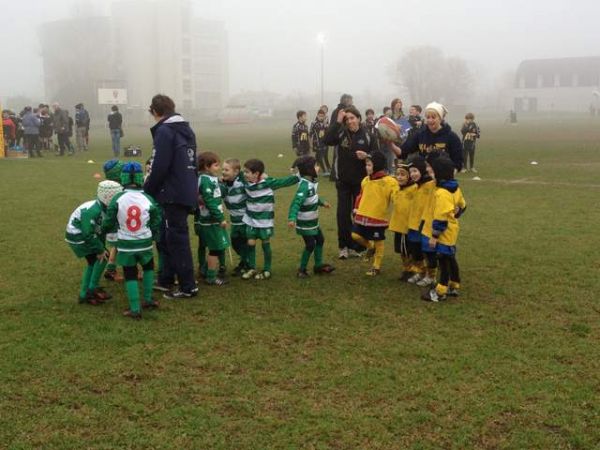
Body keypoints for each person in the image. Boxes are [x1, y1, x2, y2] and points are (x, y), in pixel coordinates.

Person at [144, 94, 198, 299]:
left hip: (172, 192)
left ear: (155, 112)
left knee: (177, 238)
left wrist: (147, 189)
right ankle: (166, 278)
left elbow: (160, 165)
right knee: (167, 236)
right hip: (185, 189)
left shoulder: (165, 131)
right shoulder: (186, 129)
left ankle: (188, 286)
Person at [102, 162, 161, 318]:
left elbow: (108, 221)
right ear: (141, 178)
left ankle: (135, 309)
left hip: (126, 244)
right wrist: (152, 233)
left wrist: (109, 228)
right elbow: (157, 219)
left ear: (123, 177)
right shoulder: (147, 198)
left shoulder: (118, 198)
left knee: (130, 274)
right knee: (148, 268)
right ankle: (148, 300)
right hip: (145, 242)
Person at [323, 105, 377, 259]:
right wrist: (338, 121)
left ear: (359, 118)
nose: (350, 122)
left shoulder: (368, 136)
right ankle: (343, 246)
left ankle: (358, 247)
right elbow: (326, 140)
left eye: (352, 118)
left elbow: (377, 156)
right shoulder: (340, 133)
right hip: (343, 181)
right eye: (347, 119)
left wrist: (367, 155)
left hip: (361, 183)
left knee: (360, 215)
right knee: (342, 215)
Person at [65, 180, 122, 305]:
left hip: (86, 235)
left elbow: (102, 230)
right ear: (107, 197)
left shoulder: (105, 207)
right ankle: (89, 291)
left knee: (96, 261)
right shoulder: (93, 210)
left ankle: (88, 291)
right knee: (101, 258)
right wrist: (100, 249)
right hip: (77, 235)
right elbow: (88, 233)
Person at [241, 158, 299, 280]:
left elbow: (285, 182)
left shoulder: (268, 183)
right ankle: (252, 268)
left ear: (256, 174)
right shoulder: (245, 182)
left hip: (265, 222)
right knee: (250, 242)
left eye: (246, 172)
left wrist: (298, 176)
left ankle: (267, 269)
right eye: (244, 171)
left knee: (265, 243)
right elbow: (234, 176)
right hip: (250, 220)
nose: (244, 174)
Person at [421, 156, 467, 302]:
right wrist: (456, 213)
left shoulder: (442, 193)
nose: (429, 171)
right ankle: (454, 284)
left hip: (444, 232)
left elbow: (440, 219)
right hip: (453, 230)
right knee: (451, 258)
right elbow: (463, 205)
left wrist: (434, 236)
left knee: (444, 261)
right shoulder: (455, 187)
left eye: (432, 169)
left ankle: (440, 291)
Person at [351, 152, 399, 276]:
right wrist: (356, 208)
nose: (366, 167)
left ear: (376, 165)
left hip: (378, 218)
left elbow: (396, 196)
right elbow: (360, 196)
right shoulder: (365, 180)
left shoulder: (389, 181)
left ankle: (376, 266)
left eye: (369, 164)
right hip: (362, 216)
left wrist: (398, 199)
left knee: (379, 241)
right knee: (355, 235)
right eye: (366, 164)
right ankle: (370, 246)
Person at [287, 155, 335, 278]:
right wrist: (292, 218)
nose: (318, 168)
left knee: (320, 240)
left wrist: (322, 202)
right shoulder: (304, 186)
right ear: (310, 170)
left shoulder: (311, 183)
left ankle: (318, 266)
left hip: (313, 221)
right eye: (316, 166)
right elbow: (296, 203)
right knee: (310, 244)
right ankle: (301, 270)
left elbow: (312, 197)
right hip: (305, 223)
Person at [195, 152, 230, 286]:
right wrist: (220, 217)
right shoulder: (204, 180)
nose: (219, 167)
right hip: (211, 221)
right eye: (216, 165)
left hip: (213, 220)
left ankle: (205, 270)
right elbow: (209, 201)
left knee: (217, 247)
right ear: (206, 167)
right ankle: (211, 277)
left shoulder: (209, 178)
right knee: (215, 249)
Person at [398, 102, 463, 171]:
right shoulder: (420, 135)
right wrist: (391, 143)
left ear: (440, 119)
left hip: (443, 178)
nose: (430, 120)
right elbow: (403, 151)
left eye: (433, 117)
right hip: (426, 178)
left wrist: (450, 174)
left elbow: (458, 161)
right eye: (428, 117)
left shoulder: (451, 137)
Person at [405, 155, 435, 285]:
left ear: (422, 170)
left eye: (415, 171)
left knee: (428, 252)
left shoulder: (430, 185)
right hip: (413, 224)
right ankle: (421, 272)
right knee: (415, 251)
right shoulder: (416, 186)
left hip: (424, 225)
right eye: (411, 172)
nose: (412, 174)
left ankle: (431, 275)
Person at [389, 162, 418, 281]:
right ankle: (407, 269)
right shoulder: (396, 188)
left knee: (411, 250)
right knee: (402, 250)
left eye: (403, 174)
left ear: (409, 177)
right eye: (397, 174)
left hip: (409, 226)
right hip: (399, 226)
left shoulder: (414, 189)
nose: (399, 177)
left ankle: (413, 270)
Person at [221, 158, 249, 276]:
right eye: (223, 169)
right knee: (235, 243)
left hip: (245, 220)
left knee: (244, 242)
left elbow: (245, 177)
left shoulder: (242, 182)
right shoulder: (224, 184)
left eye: (227, 170)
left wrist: (241, 172)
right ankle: (245, 261)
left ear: (236, 172)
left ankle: (246, 264)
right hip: (234, 220)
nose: (223, 172)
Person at [102, 159, 125, 282]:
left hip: (111, 225)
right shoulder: (119, 190)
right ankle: (112, 270)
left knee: (116, 246)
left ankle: (110, 268)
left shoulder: (106, 187)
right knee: (125, 246)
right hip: (117, 225)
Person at [309, 109, 330, 175]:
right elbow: (310, 134)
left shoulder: (325, 124)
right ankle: (325, 171)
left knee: (318, 157)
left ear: (324, 116)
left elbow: (327, 133)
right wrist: (310, 144)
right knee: (320, 156)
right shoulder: (314, 123)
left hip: (323, 143)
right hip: (316, 143)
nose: (321, 117)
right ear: (317, 115)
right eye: (319, 116)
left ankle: (313, 170)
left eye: (322, 116)